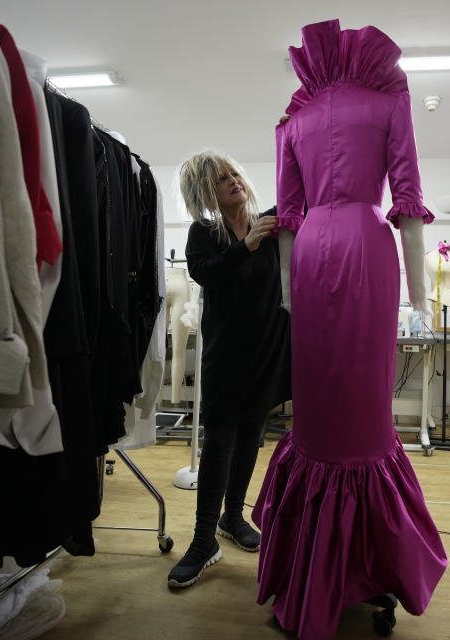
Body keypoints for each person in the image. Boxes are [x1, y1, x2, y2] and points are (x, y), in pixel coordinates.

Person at [252, 19, 447, 640]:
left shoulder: (293, 120)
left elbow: (287, 219)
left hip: (311, 252)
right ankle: (368, 562)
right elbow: (409, 203)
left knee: (321, 410)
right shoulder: (390, 99)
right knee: (363, 410)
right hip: (366, 245)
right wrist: (421, 298)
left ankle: (315, 565)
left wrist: (288, 295)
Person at [167, 151, 291, 588]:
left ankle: (232, 517)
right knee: (219, 443)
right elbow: (207, 275)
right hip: (226, 356)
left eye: (235, 173)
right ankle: (203, 541)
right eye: (222, 179)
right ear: (206, 191)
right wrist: (247, 244)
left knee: (251, 438)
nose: (234, 181)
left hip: (268, 351)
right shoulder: (204, 233)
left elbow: (309, 191)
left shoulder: (273, 221)